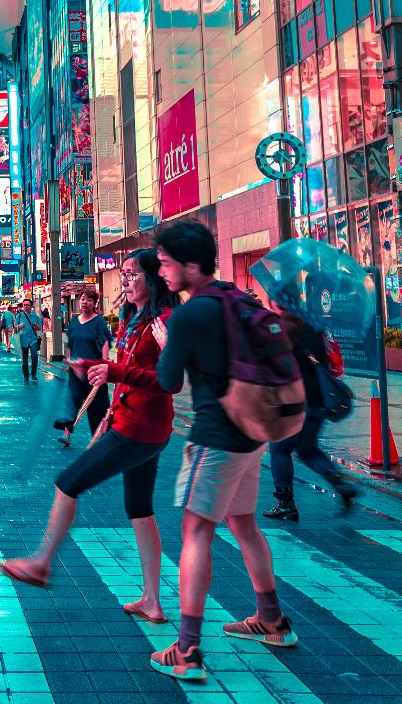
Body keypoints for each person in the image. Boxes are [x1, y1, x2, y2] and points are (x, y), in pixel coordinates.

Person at [149, 221, 295, 681]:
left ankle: (189, 650)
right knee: (244, 523)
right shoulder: (234, 296)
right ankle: (271, 619)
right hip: (253, 432)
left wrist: (168, 344)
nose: (162, 272)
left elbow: (168, 382)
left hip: (216, 437)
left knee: (195, 534)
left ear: (192, 265)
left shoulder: (191, 314)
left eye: (168, 264)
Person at [0, 248, 177, 623]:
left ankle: (41, 563)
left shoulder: (163, 320)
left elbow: (168, 381)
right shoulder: (134, 317)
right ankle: (152, 601)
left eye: (132, 274)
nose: (126, 280)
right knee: (140, 509)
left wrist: (113, 374)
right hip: (142, 425)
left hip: (138, 427)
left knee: (68, 482)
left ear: (154, 278)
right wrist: (98, 365)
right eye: (124, 274)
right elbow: (129, 366)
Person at [261, 310, 359, 521]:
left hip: (292, 400)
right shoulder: (315, 329)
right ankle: (339, 482)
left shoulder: (280, 330)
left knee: (279, 450)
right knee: (307, 449)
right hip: (318, 400)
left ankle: (286, 503)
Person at [61, 292, 111, 435]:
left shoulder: (99, 321)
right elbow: (70, 344)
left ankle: (99, 437)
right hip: (75, 371)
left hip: (94, 371)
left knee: (97, 407)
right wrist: (69, 362)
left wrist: (104, 364)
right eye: (82, 299)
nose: (84, 302)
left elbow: (105, 343)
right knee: (72, 402)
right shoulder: (74, 321)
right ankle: (67, 434)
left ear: (94, 303)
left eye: (89, 300)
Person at [15, 299, 44, 382]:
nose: (25, 306)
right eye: (24, 305)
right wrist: (19, 327)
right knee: (24, 360)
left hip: (33, 340)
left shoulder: (36, 317)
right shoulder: (19, 316)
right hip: (23, 339)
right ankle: (26, 375)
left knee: (34, 357)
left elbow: (40, 329)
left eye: (27, 305)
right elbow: (15, 328)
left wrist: (36, 326)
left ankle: (33, 374)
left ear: (31, 306)